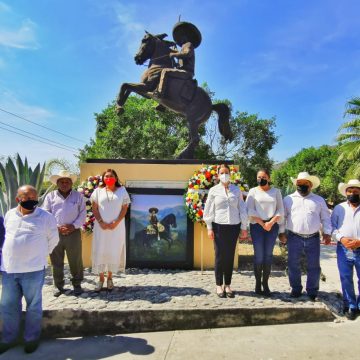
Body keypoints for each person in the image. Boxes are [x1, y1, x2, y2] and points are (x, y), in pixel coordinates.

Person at [0, 185, 59, 354]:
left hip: (33, 269)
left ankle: (31, 339)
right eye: (27, 197)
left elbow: (53, 240)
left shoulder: (46, 217)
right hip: (9, 269)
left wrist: (38, 254)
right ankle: (8, 339)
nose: (31, 201)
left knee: (33, 306)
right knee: (8, 306)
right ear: (18, 198)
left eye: (34, 197)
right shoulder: (10, 215)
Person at [279, 172, 331, 300]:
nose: (302, 186)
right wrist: (281, 232)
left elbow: (325, 218)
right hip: (293, 237)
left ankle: (312, 291)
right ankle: (296, 289)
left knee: (314, 265)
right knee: (293, 264)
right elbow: (283, 217)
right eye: (299, 183)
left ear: (310, 185)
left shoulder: (319, 200)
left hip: (313, 238)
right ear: (296, 184)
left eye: (305, 184)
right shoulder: (288, 199)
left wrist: (327, 232)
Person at [203, 164, 248, 298]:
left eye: (226, 172)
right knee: (219, 256)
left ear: (230, 174)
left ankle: (227, 285)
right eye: (221, 173)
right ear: (218, 175)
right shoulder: (214, 190)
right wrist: (209, 227)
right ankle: (218, 285)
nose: (224, 175)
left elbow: (242, 208)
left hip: (233, 227)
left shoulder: (236, 190)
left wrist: (244, 227)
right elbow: (208, 210)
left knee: (229, 256)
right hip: (218, 226)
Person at [43, 170, 86, 297]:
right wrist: (57, 227)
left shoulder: (78, 196)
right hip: (55, 233)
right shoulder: (50, 196)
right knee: (56, 260)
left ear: (71, 183)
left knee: (76, 260)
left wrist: (73, 226)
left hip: (73, 233)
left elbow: (83, 213)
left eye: (67, 181)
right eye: (62, 181)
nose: (64, 183)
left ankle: (77, 284)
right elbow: (46, 214)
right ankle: (58, 285)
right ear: (57, 183)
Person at [90, 169, 130, 291]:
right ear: (103, 178)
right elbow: (95, 208)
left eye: (111, 176)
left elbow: (124, 208)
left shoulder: (122, 191)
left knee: (113, 250)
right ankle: (101, 278)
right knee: (100, 249)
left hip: (116, 227)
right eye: (106, 176)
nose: (108, 178)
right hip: (100, 227)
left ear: (116, 178)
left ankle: (110, 277)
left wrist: (116, 222)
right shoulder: (97, 191)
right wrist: (101, 222)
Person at [246, 169, 284, 296]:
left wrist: (270, 223)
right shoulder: (253, 191)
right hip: (257, 226)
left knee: (268, 255)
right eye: (258, 177)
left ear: (269, 178)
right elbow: (249, 209)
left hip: (272, 226)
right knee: (259, 255)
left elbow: (280, 210)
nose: (260, 179)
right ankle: (257, 283)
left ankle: (265, 283)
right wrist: (263, 223)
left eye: (263, 176)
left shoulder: (276, 191)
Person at [331, 179, 360, 320]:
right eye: (350, 191)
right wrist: (342, 238)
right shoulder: (339, 208)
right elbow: (332, 228)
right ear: (345, 193)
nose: (352, 193)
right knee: (346, 278)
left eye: (355, 191)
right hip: (344, 249)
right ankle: (351, 305)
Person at [156, 21, 201, 100]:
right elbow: (181, 60)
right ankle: (164, 102)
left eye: (182, 37)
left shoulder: (188, 44)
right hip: (182, 70)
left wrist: (173, 54)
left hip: (187, 72)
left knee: (165, 71)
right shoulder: (183, 47)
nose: (180, 39)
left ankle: (159, 94)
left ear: (186, 37)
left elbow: (186, 54)